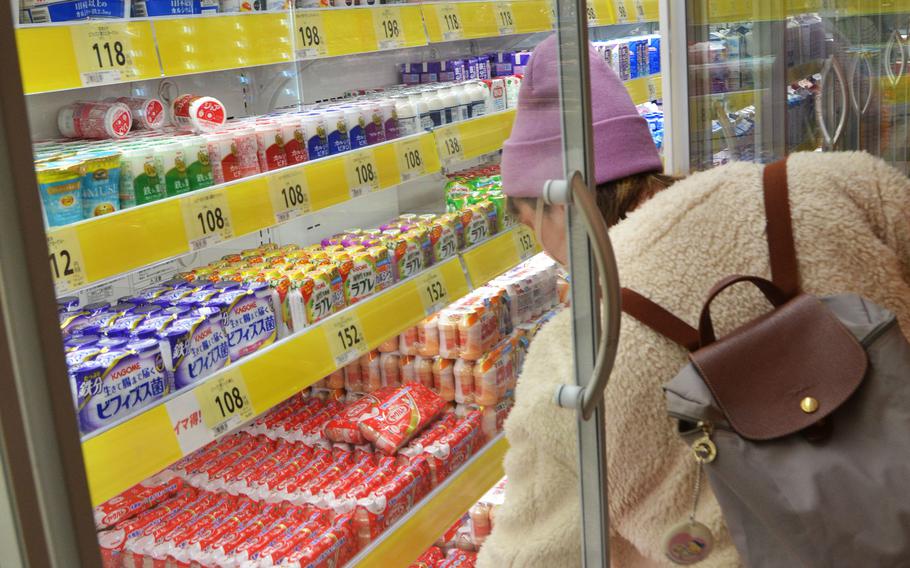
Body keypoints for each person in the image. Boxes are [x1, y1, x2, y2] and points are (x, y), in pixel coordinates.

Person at [476, 34, 910, 567]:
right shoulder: (839, 185)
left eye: (528, 225)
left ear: (558, 204)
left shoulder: (578, 353)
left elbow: (539, 554)